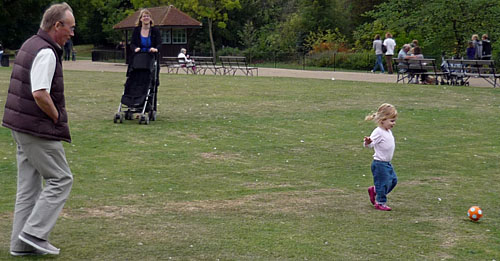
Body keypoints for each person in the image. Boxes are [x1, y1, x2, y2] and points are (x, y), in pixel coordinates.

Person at [2, 2, 75, 256]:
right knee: (61, 178)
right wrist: (56, 117)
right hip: (36, 129)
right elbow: (40, 93)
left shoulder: (30, 43)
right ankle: (34, 233)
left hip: (20, 126)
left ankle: (20, 246)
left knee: (28, 188)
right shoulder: (46, 51)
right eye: (70, 27)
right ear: (57, 25)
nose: (72, 33)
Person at [364, 103, 398, 211]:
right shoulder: (378, 132)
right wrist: (368, 142)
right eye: (391, 121)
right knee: (383, 183)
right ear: (383, 120)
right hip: (379, 163)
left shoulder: (388, 131)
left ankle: (375, 191)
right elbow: (370, 145)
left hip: (387, 163)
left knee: (393, 181)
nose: (394, 123)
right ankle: (380, 202)